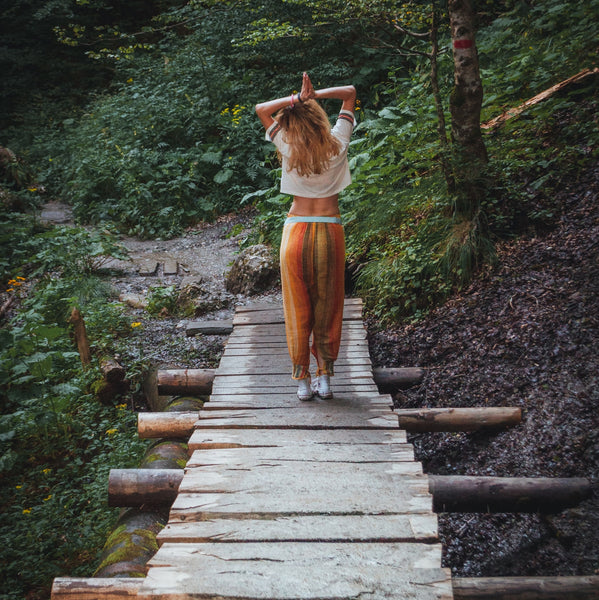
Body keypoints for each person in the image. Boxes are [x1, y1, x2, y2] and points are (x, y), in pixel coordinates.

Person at [255, 72, 356, 401]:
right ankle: (325, 378)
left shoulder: (287, 144)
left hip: (295, 231)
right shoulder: (338, 142)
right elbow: (351, 93)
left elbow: (261, 109)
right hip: (329, 231)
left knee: (297, 309)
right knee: (328, 307)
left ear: (292, 122)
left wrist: (297, 98)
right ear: (318, 116)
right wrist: (315, 95)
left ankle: (302, 380)